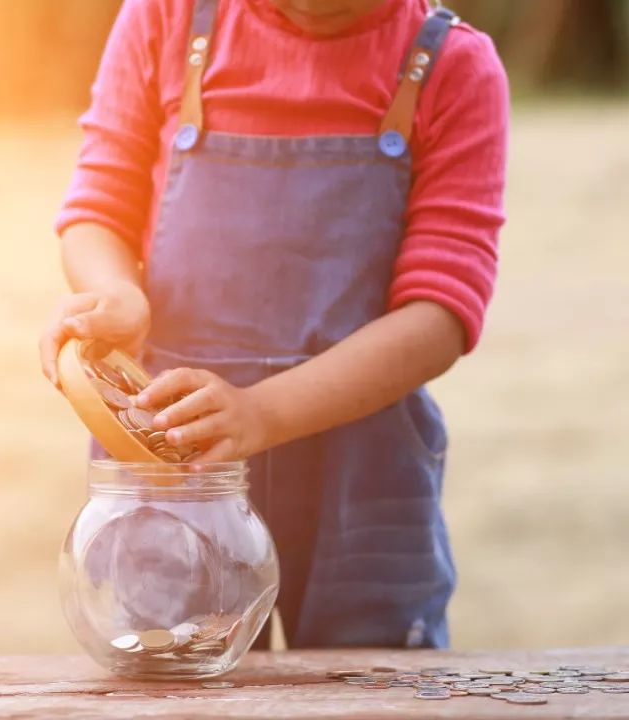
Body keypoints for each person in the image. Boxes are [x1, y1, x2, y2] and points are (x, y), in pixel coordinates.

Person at [39, 0, 508, 649]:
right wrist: (118, 294)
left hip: (365, 477)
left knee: (370, 691)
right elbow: (98, 208)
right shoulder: (163, 20)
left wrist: (261, 413)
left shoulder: (455, 65)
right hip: (180, 469)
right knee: (178, 686)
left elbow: (441, 314)